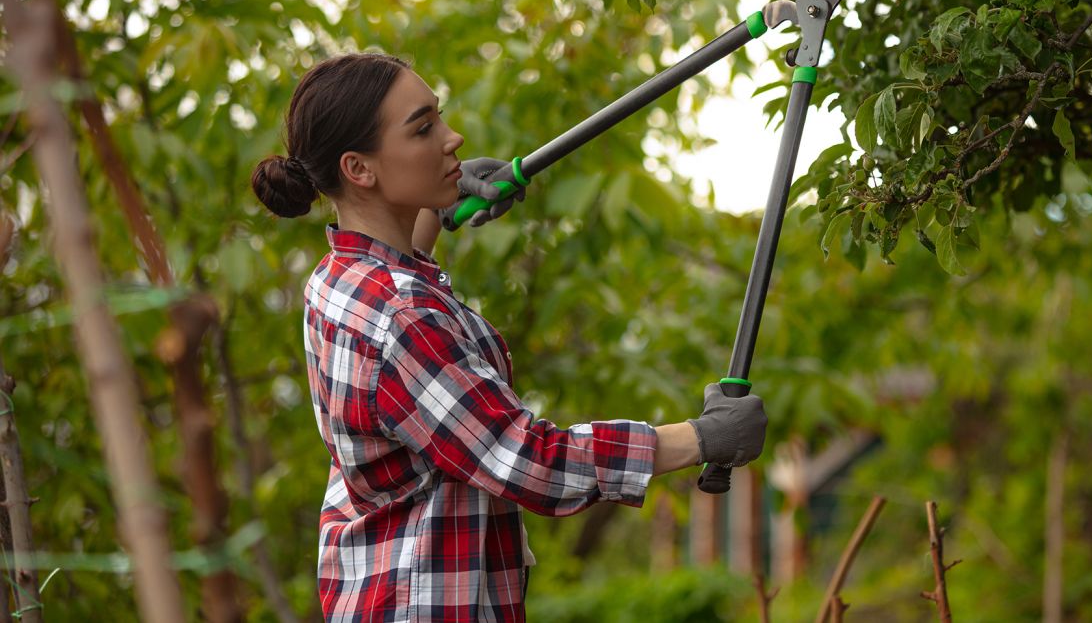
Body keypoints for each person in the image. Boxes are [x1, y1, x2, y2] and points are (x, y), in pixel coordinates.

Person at [250, 52, 767, 622]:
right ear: (359, 169)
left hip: (375, 590)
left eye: (439, 118)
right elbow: (528, 461)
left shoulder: (337, 281)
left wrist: (438, 210)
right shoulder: (401, 317)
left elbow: (400, 315)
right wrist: (701, 438)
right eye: (424, 129)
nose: (453, 138)